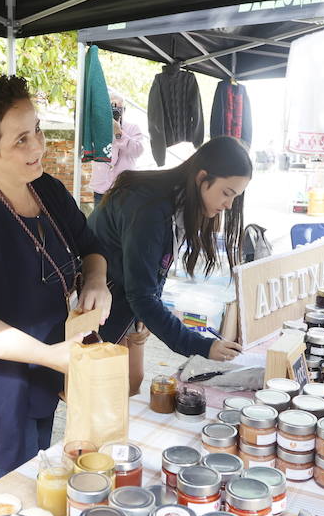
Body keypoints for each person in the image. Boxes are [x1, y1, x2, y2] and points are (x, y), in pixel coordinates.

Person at [0, 75, 112, 481]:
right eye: (20, 140)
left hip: (44, 370)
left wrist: (96, 282)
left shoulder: (46, 189)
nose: (38, 147)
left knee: (42, 465)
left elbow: (90, 246)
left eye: (38, 131)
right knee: (19, 487)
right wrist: (52, 356)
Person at [88, 136, 250, 394]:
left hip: (126, 295)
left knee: (132, 382)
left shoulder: (180, 202)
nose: (229, 205)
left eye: (235, 197)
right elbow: (140, 293)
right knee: (106, 393)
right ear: (202, 178)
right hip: (100, 301)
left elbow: (150, 278)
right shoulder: (149, 209)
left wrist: (144, 314)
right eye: (226, 193)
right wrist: (202, 345)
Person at [88, 92, 144, 204]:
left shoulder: (132, 128)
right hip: (101, 188)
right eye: (112, 107)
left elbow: (138, 151)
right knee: (101, 221)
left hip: (124, 189)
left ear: (124, 110)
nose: (115, 111)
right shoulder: (96, 128)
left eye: (118, 107)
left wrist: (119, 133)